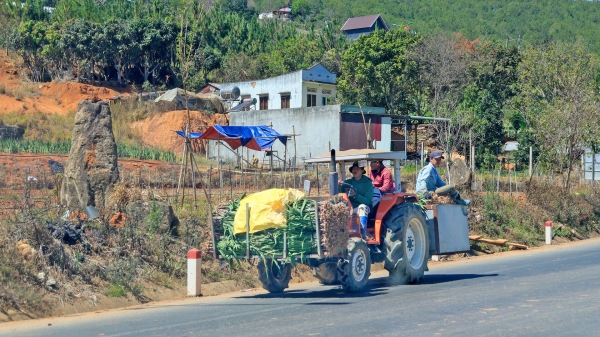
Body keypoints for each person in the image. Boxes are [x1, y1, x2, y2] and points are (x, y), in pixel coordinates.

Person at [339, 161, 373, 238]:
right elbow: (339, 192)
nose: (355, 170)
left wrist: (356, 196)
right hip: (349, 207)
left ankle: (362, 233)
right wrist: (337, 185)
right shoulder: (348, 182)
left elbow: (368, 201)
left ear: (362, 171)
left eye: (357, 168)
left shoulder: (367, 183)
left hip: (362, 208)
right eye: (353, 168)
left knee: (362, 207)